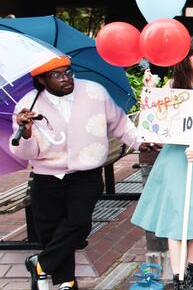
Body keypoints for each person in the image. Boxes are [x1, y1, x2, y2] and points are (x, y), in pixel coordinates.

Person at [12, 56, 156, 290]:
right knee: (52, 230)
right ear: (41, 79)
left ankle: (41, 264)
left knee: (78, 224)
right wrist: (26, 133)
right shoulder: (28, 105)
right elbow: (25, 152)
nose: (66, 78)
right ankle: (65, 282)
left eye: (68, 72)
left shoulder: (93, 92)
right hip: (46, 176)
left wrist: (140, 142)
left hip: (85, 173)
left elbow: (119, 123)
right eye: (56, 75)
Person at [131, 36, 193, 290]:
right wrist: (149, 91)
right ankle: (177, 278)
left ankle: (191, 274)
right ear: (184, 58)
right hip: (176, 157)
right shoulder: (173, 85)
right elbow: (156, 118)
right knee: (176, 217)